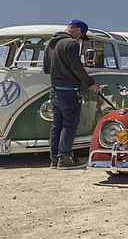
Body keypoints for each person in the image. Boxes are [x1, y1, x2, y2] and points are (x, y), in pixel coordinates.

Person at [43, 20, 100, 170]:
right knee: (69, 124)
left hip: (54, 89)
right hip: (69, 90)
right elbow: (77, 67)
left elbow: (46, 69)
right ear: (77, 30)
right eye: (81, 35)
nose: (80, 39)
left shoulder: (50, 44)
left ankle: (54, 159)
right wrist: (90, 83)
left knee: (56, 125)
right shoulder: (72, 44)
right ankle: (65, 158)